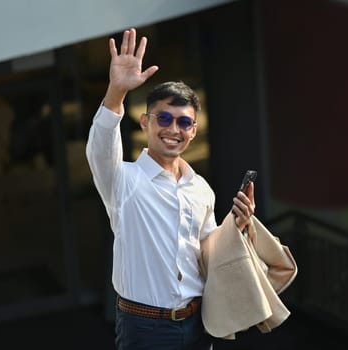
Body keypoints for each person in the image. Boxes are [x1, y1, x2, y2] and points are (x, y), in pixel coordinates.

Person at [86, 28, 256, 350]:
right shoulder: (124, 180)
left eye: (183, 122)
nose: (172, 129)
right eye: (163, 118)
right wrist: (116, 92)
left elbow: (206, 255)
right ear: (144, 122)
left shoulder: (201, 189)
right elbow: (100, 146)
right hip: (144, 328)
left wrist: (237, 227)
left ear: (193, 131)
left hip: (198, 322)